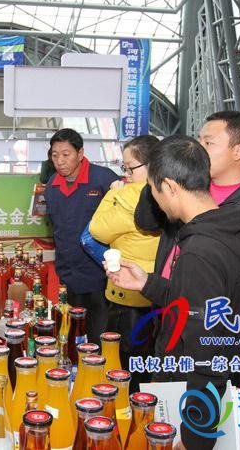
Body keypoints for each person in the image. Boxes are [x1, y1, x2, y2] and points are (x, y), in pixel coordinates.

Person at [108, 135, 240, 450]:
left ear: (169, 186)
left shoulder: (200, 251)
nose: (155, 200)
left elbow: (205, 354)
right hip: (230, 384)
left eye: (153, 190)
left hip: (198, 404)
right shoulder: (234, 231)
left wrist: (195, 436)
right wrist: (148, 284)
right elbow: (209, 306)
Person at [135, 111, 240, 303]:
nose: (198, 148)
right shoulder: (190, 185)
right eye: (198, 140)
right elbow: (146, 222)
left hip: (218, 313)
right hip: (165, 303)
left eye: (208, 143)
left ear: (238, 151)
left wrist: (215, 276)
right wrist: (158, 175)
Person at [88, 134, 160, 391]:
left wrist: (112, 194)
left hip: (128, 295)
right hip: (159, 291)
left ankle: (124, 408)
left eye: (130, 168)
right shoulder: (167, 192)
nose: (126, 174)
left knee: (122, 364)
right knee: (149, 360)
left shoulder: (129, 196)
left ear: (151, 165)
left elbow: (97, 230)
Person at [44, 128, 118, 343]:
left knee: (99, 336)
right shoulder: (52, 185)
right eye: (55, 155)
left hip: (100, 275)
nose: (59, 161)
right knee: (73, 334)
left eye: (65, 154)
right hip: (69, 274)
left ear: (80, 153)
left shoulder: (104, 179)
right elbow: (57, 228)